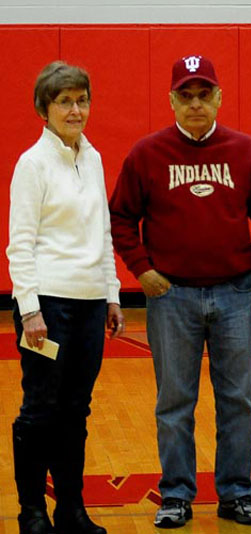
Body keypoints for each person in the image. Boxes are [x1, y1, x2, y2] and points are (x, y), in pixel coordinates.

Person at [109, 55, 251, 528]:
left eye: (203, 94)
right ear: (170, 100)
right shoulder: (147, 154)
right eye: (185, 96)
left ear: (219, 98)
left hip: (234, 293)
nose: (195, 104)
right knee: (174, 401)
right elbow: (121, 217)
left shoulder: (246, 151)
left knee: (237, 400)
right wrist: (142, 269)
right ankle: (175, 495)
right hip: (171, 296)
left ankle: (236, 494)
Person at [7, 61, 124, 534]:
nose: (75, 110)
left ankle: (71, 511)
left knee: (77, 408)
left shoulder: (93, 158)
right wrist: (30, 310)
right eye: (64, 102)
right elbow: (20, 242)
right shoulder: (32, 164)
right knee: (40, 408)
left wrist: (112, 294)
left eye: (82, 100)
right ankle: (32, 513)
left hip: (91, 303)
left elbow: (103, 232)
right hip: (47, 307)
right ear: (45, 108)